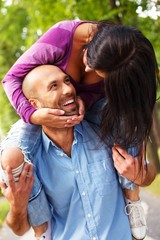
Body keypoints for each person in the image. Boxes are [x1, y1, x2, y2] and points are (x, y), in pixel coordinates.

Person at [1, 20, 158, 238]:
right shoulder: (61, 37)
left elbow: (147, 171)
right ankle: (42, 231)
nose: (85, 71)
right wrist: (33, 115)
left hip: (88, 110)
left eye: (98, 73)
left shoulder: (104, 133)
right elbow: (10, 79)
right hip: (35, 114)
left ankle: (133, 203)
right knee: (11, 158)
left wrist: (138, 174)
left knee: (128, 116)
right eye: (55, 85)